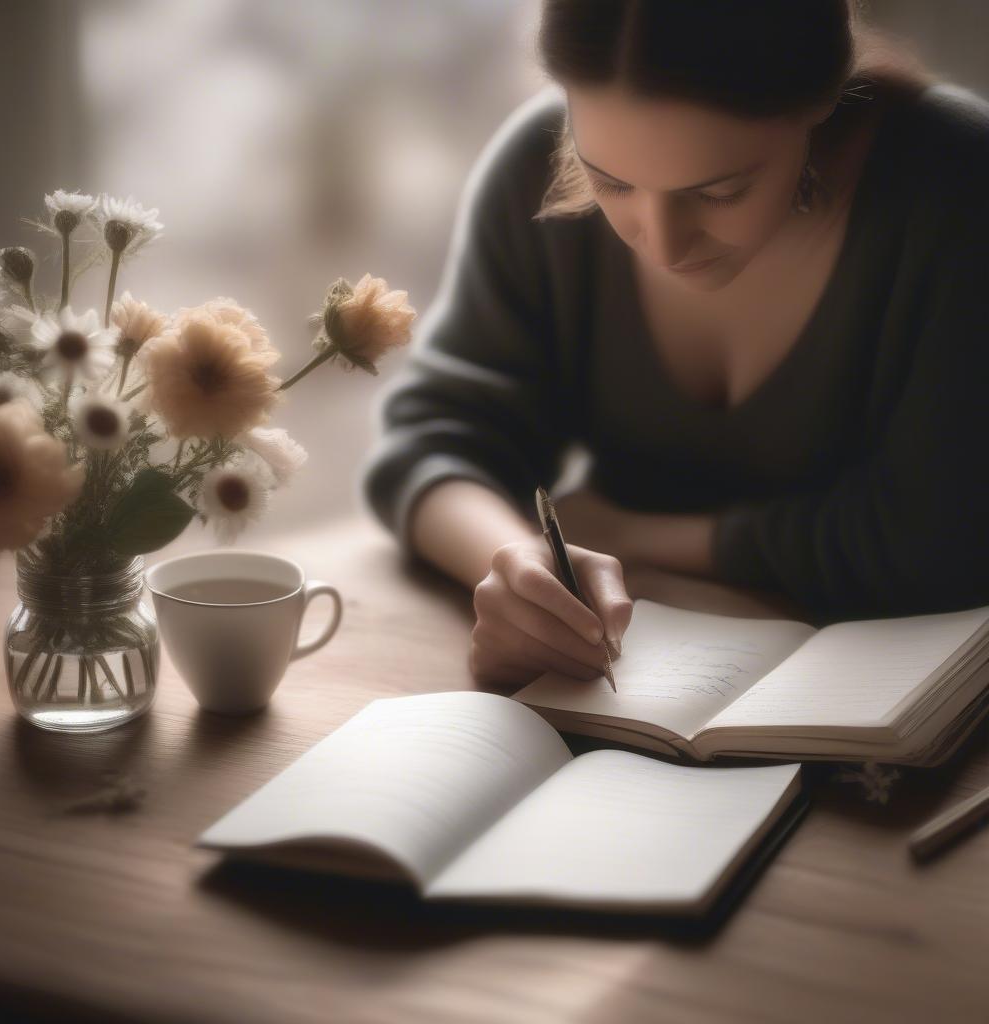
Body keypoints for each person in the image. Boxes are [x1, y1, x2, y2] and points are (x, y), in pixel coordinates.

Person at [360, 0, 989, 688]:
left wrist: (634, 535)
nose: (659, 243)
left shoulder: (954, 184)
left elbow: (945, 541)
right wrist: (515, 563)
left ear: (817, 102)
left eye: (720, 192)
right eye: (609, 181)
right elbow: (431, 440)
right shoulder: (530, 166)